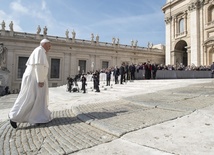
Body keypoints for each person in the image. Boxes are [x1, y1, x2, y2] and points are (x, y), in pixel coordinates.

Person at [9, 39, 52, 129]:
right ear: (44, 44)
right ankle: (14, 116)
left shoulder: (40, 51)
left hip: (34, 78)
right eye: (49, 45)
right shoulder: (40, 50)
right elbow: (39, 66)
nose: (50, 47)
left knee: (35, 99)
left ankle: (37, 118)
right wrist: (40, 80)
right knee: (30, 98)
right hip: (35, 79)